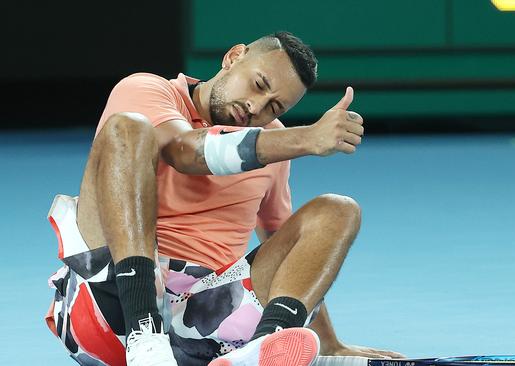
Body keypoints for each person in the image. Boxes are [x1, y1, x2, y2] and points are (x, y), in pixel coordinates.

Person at [45, 31, 403, 366]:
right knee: (128, 127)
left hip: (204, 323)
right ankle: (145, 333)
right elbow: (187, 152)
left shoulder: (274, 144)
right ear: (233, 57)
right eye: (259, 84)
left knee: (337, 210)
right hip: (108, 305)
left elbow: (291, 250)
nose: (254, 106)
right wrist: (307, 138)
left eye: (274, 107)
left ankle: (265, 348)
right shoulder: (149, 89)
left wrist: (326, 341)